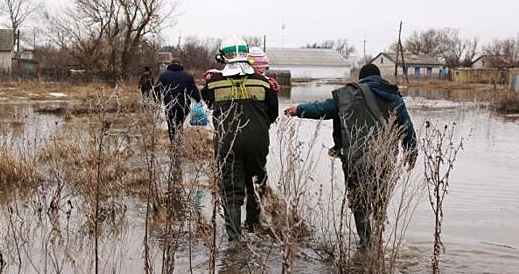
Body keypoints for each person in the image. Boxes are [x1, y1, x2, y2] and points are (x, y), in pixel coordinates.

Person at [284, 64, 417, 251]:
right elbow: (406, 126)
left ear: (361, 79)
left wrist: (298, 109)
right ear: (379, 77)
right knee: (379, 198)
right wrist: (411, 154)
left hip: (357, 159)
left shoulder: (350, 94)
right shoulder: (393, 95)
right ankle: (378, 242)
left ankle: (365, 243)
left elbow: (324, 109)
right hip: (385, 159)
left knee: (359, 201)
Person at [201, 37, 279, 241]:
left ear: (223, 56)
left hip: (227, 143)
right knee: (255, 184)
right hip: (257, 142)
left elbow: (207, 102)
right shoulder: (264, 83)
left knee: (231, 191)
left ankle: (234, 239)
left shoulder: (213, 83)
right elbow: (273, 114)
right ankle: (252, 228)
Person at [155, 58, 201, 140]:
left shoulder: (164, 75)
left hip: (170, 106)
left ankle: (174, 145)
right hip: (183, 107)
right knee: (179, 126)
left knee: (171, 126)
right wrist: (198, 99)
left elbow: (156, 89)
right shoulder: (188, 76)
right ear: (181, 65)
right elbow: (194, 91)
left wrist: (157, 100)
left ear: (170, 64)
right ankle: (178, 144)